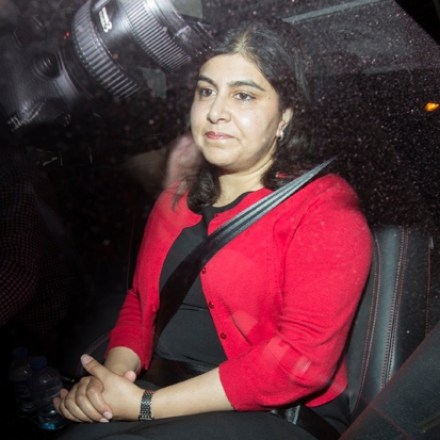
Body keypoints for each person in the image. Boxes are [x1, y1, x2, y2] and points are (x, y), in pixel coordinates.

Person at [54, 18, 373, 440]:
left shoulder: (325, 210)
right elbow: (140, 305)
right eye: (206, 91)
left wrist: (146, 406)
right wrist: (110, 386)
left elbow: (299, 363)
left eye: (244, 95)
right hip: (164, 393)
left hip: (275, 415)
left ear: (285, 116)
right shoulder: (175, 201)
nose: (215, 111)